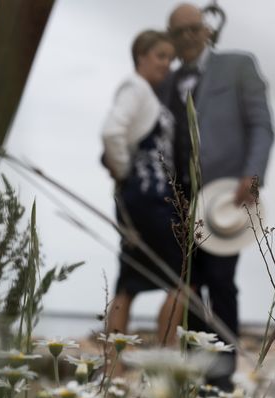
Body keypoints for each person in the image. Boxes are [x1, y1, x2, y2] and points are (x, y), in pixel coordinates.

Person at [160, 3, 275, 391]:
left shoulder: (239, 65)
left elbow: (262, 126)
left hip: (228, 196)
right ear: (172, 40)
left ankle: (223, 374)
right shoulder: (167, 82)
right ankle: (194, 371)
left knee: (222, 281)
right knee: (188, 284)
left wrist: (253, 177)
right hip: (178, 198)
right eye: (179, 33)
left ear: (207, 29)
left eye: (195, 28)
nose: (189, 37)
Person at [101, 30, 184, 346]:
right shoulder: (134, 88)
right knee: (181, 281)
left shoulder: (146, 93)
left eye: (170, 58)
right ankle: (164, 364)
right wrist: (125, 172)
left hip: (145, 199)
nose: (167, 64)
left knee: (129, 282)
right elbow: (112, 132)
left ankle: (113, 372)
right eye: (161, 56)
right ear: (141, 56)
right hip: (150, 199)